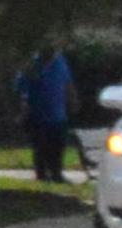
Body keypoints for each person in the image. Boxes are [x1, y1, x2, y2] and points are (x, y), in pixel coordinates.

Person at [15, 41, 80, 186]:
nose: (52, 54)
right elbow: (22, 91)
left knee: (58, 146)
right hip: (38, 114)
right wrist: (23, 111)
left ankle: (57, 173)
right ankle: (42, 174)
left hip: (58, 114)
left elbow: (68, 83)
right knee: (41, 146)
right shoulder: (31, 65)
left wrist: (73, 100)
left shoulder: (60, 62)